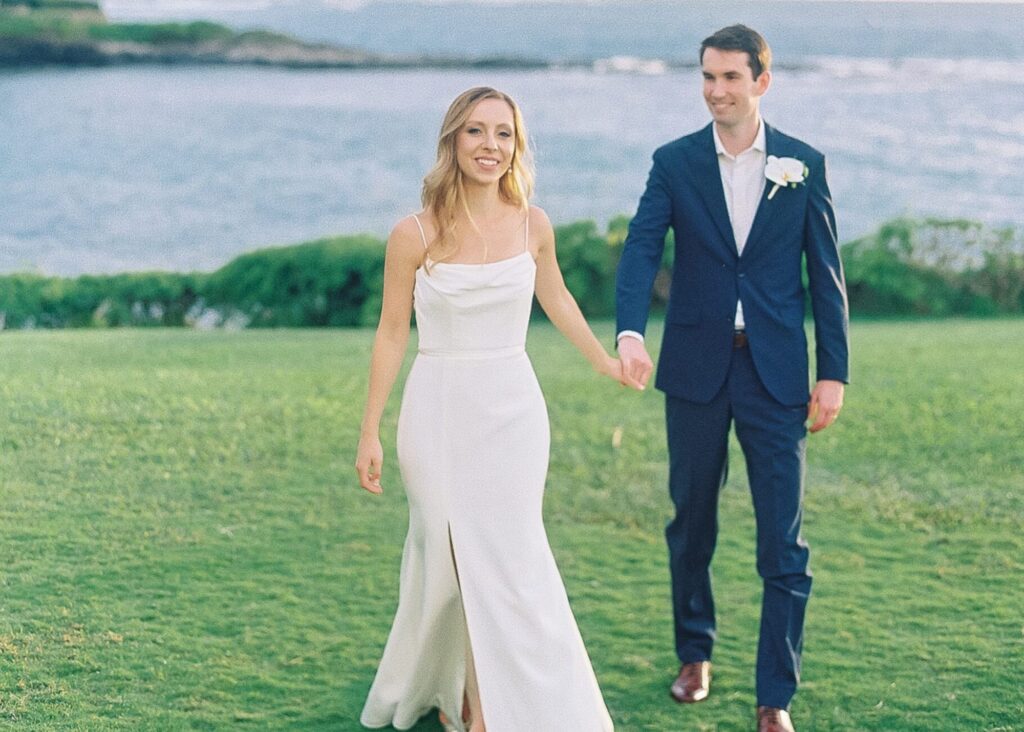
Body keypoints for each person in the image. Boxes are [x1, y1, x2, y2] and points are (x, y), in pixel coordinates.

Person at [356, 86, 634, 732]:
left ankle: (485, 712)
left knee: (506, 560)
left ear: (518, 145)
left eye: (503, 133)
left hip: (512, 411)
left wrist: (604, 361)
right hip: (438, 410)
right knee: (450, 560)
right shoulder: (413, 233)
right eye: (476, 132)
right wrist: (369, 429)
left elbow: (558, 300)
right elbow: (392, 332)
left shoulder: (533, 224)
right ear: (453, 140)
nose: (490, 146)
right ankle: (455, 693)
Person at [615, 25, 849, 732]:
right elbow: (640, 248)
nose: (717, 91)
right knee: (692, 523)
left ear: (761, 83)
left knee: (784, 541)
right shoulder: (675, 162)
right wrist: (630, 332)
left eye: (730, 79)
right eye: (708, 78)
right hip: (694, 371)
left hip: (777, 375)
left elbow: (826, 278)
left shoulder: (803, 165)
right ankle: (695, 654)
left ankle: (774, 696)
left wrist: (833, 372)